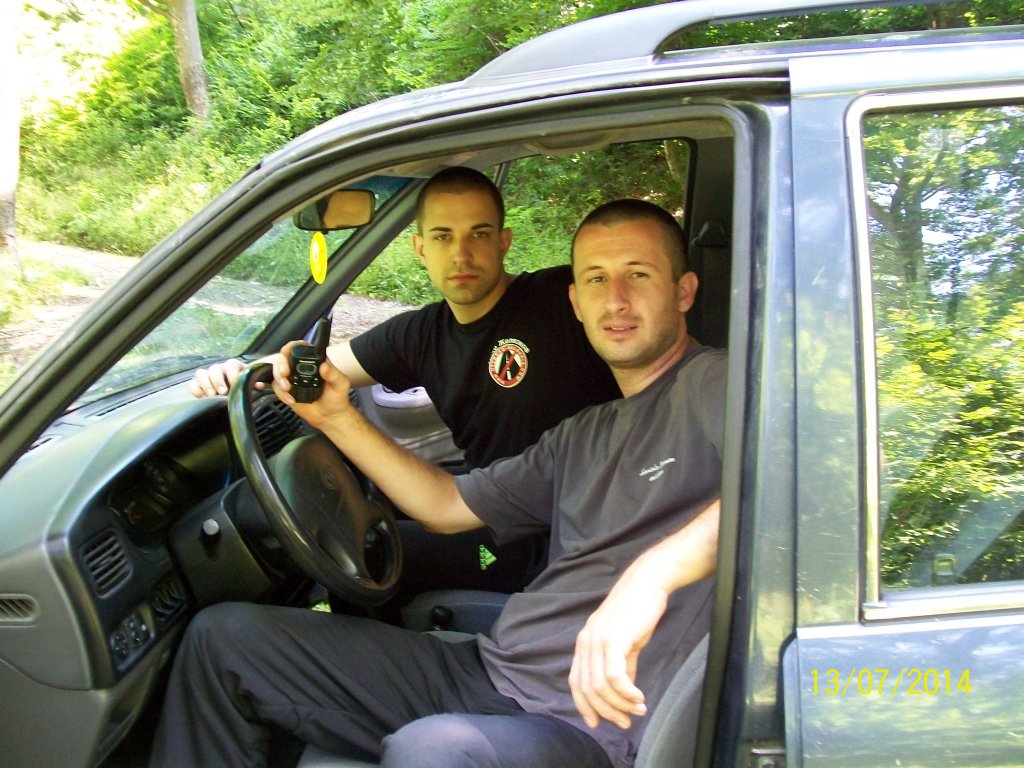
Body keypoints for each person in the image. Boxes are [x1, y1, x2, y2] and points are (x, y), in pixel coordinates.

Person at [151, 199, 724, 768]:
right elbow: (447, 505)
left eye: (638, 275)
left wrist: (652, 575)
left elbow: (781, 481)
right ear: (575, 301)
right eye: (597, 279)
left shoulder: (715, 384)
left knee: (434, 751)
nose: (616, 299)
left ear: (683, 291)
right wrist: (336, 417)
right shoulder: (582, 434)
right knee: (224, 640)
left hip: (585, 726)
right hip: (492, 671)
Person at [191, 167, 622, 602]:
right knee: (370, 521)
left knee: (370, 558)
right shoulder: (421, 334)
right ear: (420, 248)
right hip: (484, 502)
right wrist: (241, 371)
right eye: (443, 236)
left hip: (556, 539)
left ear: (503, 241)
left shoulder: (562, 300)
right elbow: (321, 364)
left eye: (478, 234)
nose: (461, 254)